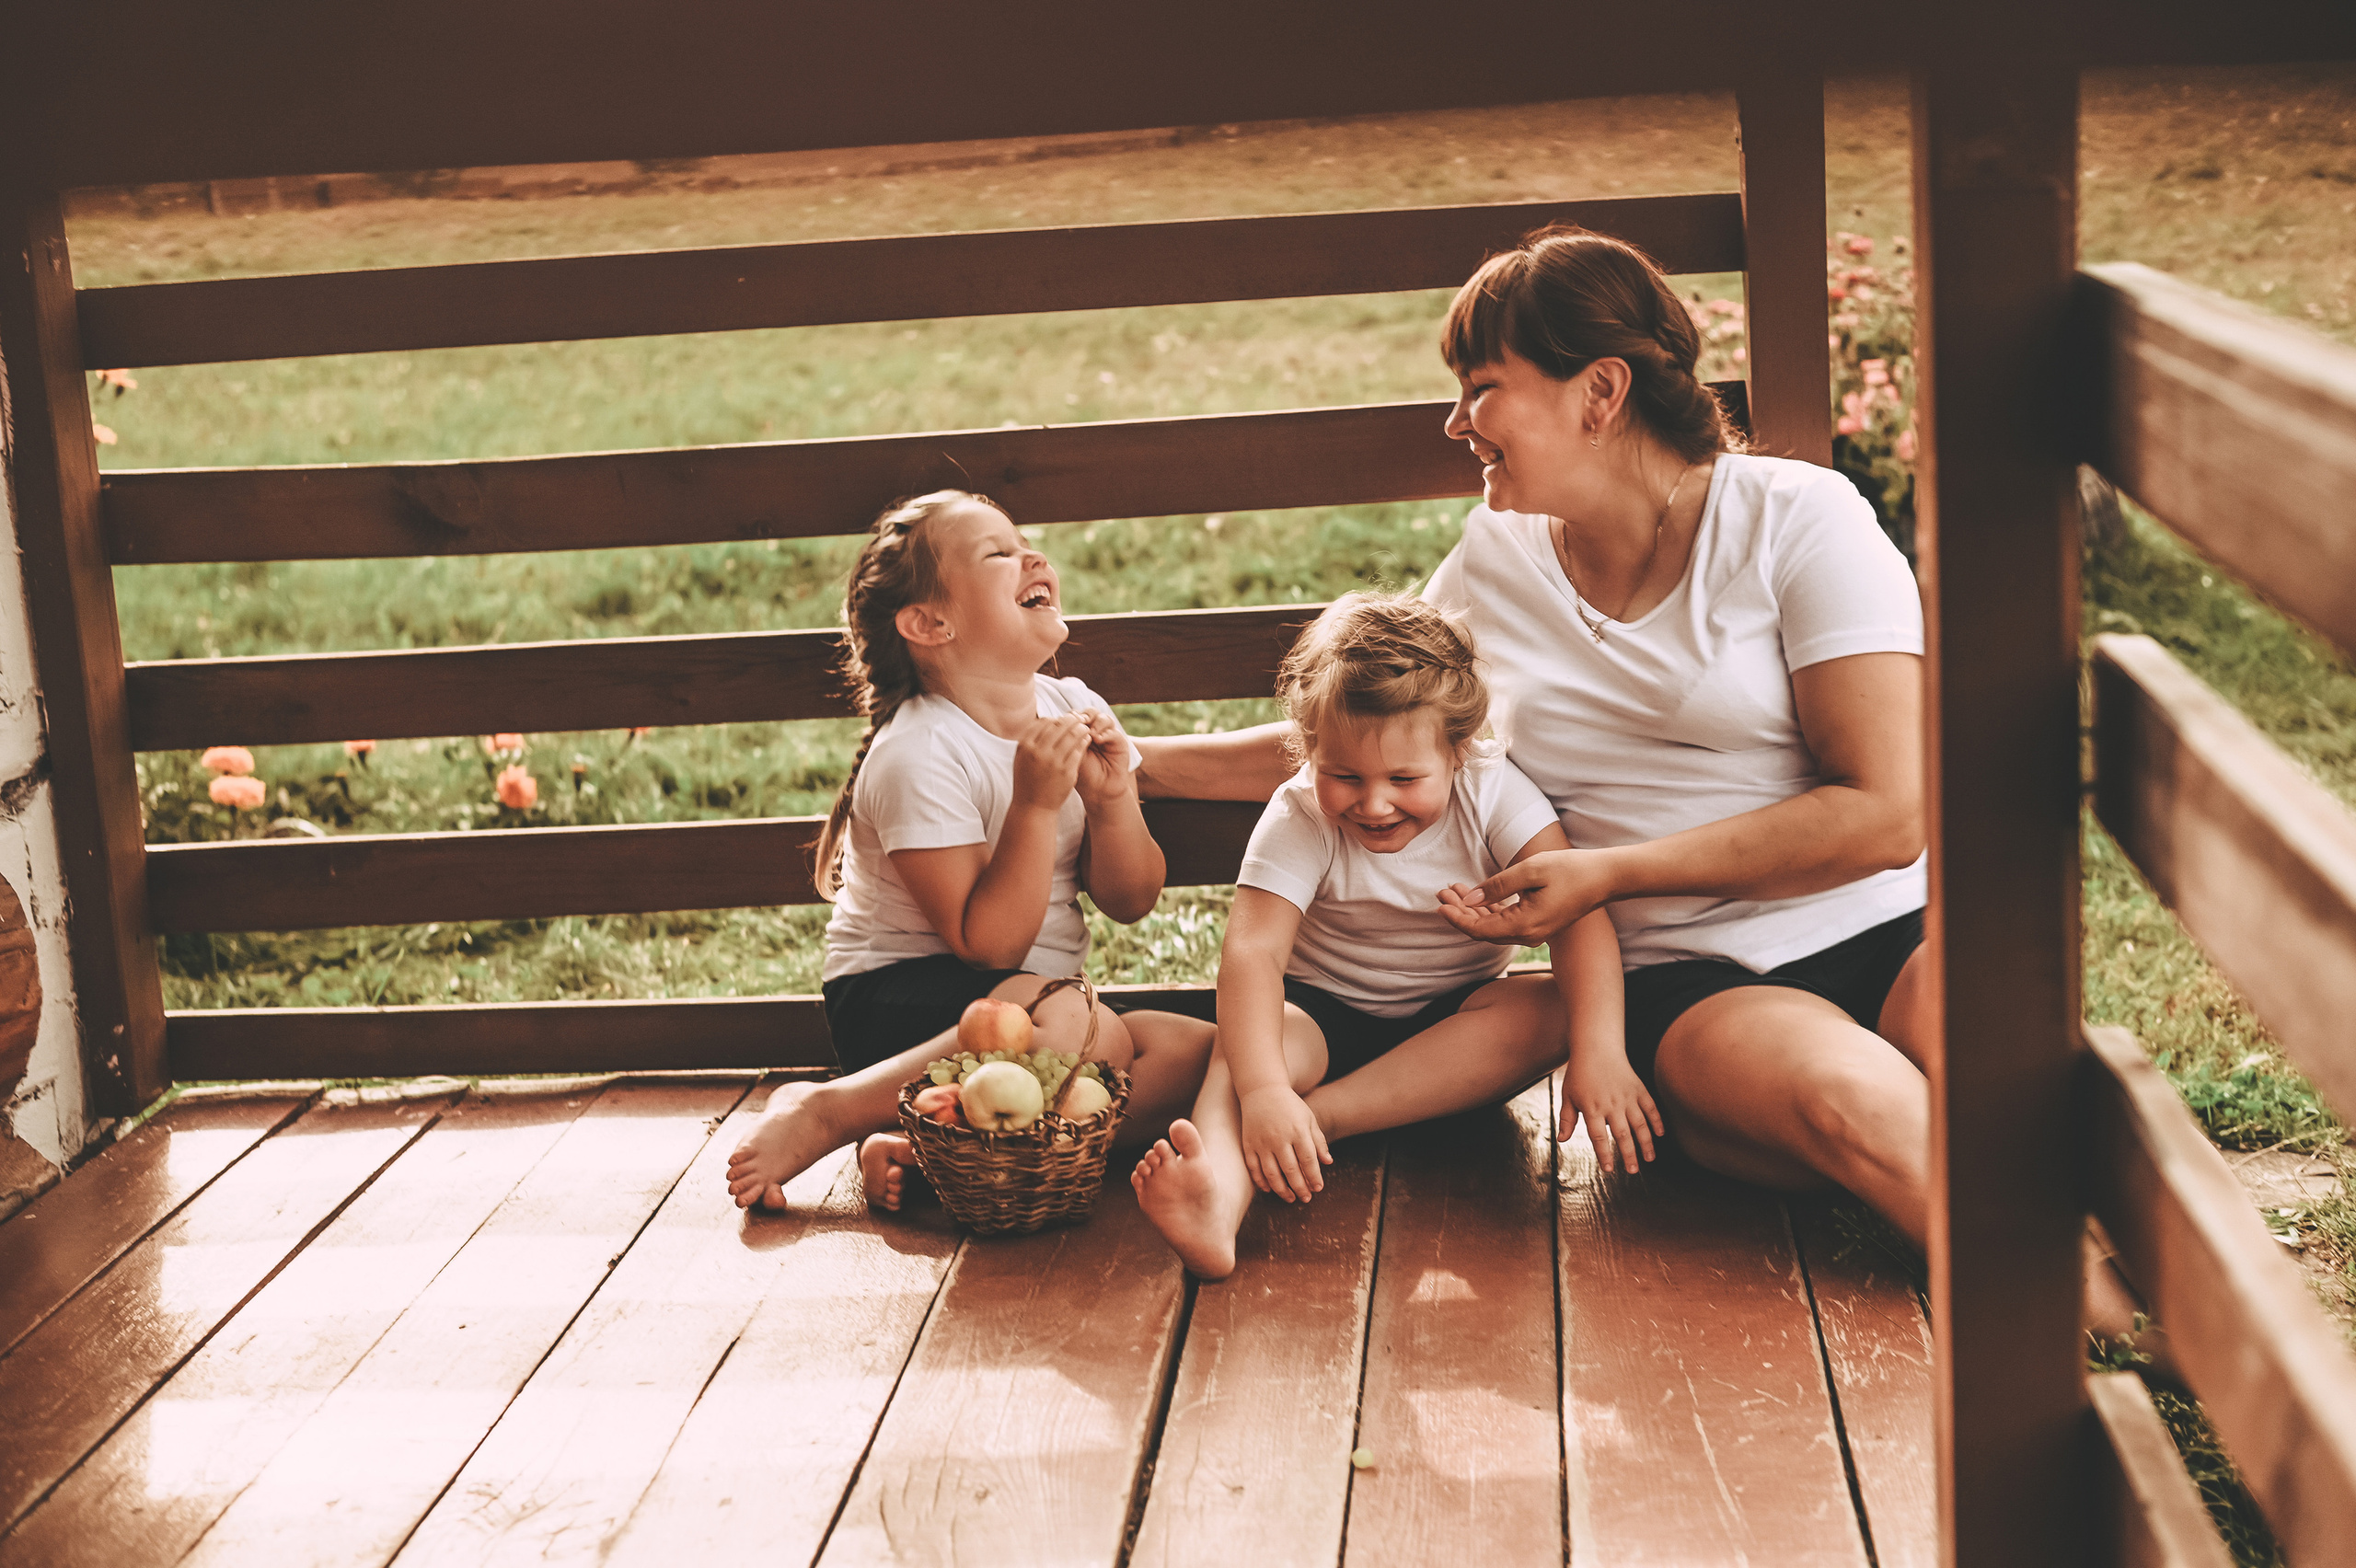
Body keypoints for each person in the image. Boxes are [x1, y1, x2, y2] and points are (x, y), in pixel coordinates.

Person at [1137, 225, 2154, 1355]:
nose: (1456, 422)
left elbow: (1889, 812)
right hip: (1690, 983)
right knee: (1855, 1101)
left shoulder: (1795, 520)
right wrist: (1131, 761)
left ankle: (2178, 1297)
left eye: (1482, 389)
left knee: (2021, 1072)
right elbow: (1365, 734)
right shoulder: (1495, 562)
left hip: (1894, 925)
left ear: (1598, 392)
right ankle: (2138, 1343)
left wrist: (1609, 871)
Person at [725, 490, 1213, 1211]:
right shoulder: (918, 752)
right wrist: (1036, 804)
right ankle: (833, 1111)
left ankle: (935, 1146)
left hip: (1033, 1010)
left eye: (1025, 543)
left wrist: (1112, 802)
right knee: (1087, 1028)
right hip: (904, 1008)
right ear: (930, 623)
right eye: (999, 554)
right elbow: (987, 946)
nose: (1033, 557)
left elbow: (1131, 900)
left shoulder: (1072, 702)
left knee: (1198, 1054)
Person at [1132, 593, 1627, 1279]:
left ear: (1460, 751)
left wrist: (1600, 1051)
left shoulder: (1491, 791)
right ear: (1310, 753)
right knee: (1252, 1044)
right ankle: (1217, 1201)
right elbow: (1253, 954)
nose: (1373, 803)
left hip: (1453, 1026)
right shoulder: (1301, 813)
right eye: (1344, 776)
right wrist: (1267, 1090)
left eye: (1403, 779)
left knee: (1549, 1009)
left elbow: (1577, 915)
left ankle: (1323, 1119)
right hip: (1322, 1013)